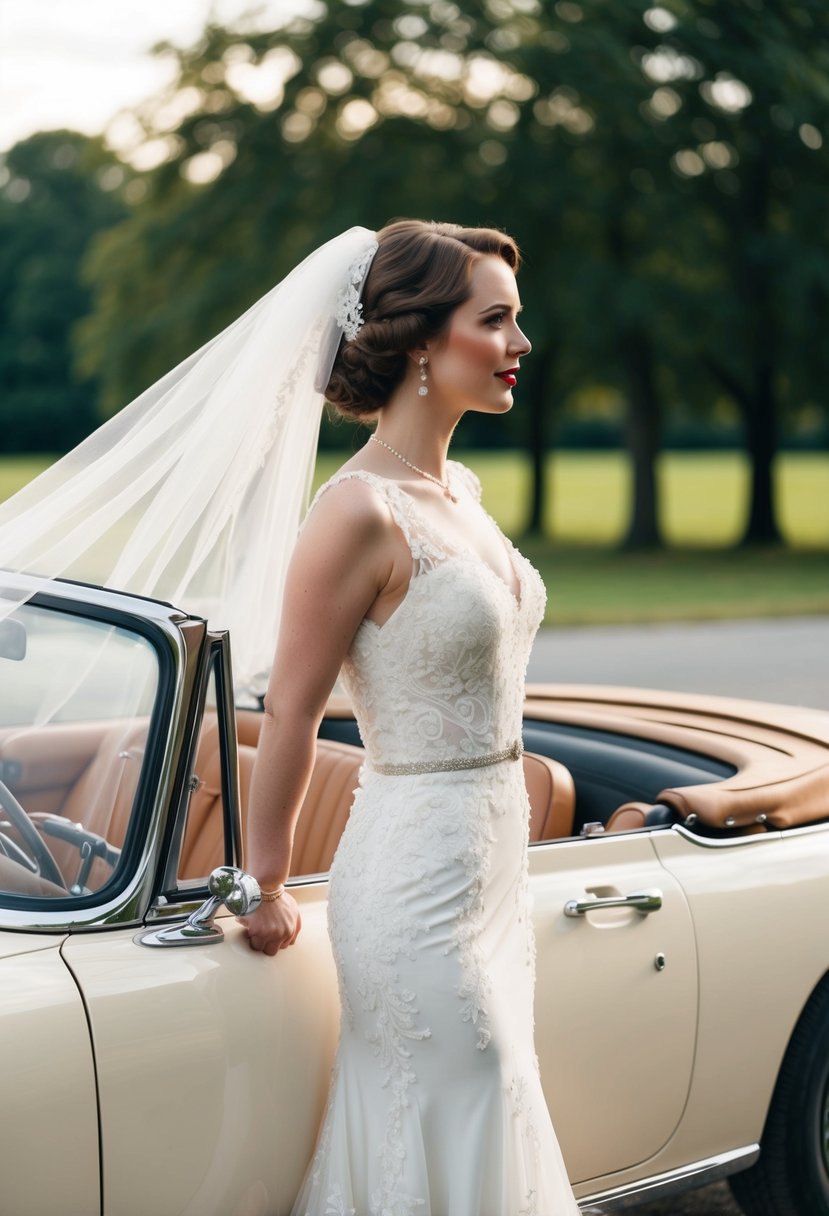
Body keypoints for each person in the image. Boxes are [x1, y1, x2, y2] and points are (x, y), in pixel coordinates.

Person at [240, 220, 581, 1216]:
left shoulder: (458, 496)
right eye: (497, 320)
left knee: (494, 1093)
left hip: (491, 871)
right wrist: (264, 879)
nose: (521, 343)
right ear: (424, 342)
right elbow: (293, 709)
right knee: (466, 1089)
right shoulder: (356, 511)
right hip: (410, 882)